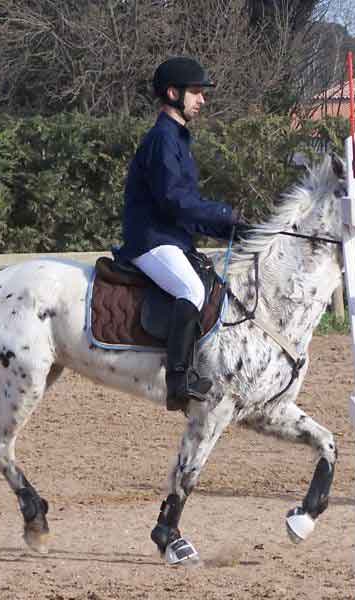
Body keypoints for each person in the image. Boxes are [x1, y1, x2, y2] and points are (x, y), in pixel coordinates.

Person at [116, 57, 241, 412]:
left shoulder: (177, 140)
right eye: (197, 93)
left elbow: (187, 206)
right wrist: (223, 214)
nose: (202, 100)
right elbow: (175, 200)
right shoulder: (162, 140)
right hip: (150, 240)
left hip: (169, 237)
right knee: (192, 289)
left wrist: (227, 227)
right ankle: (178, 379)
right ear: (173, 93)